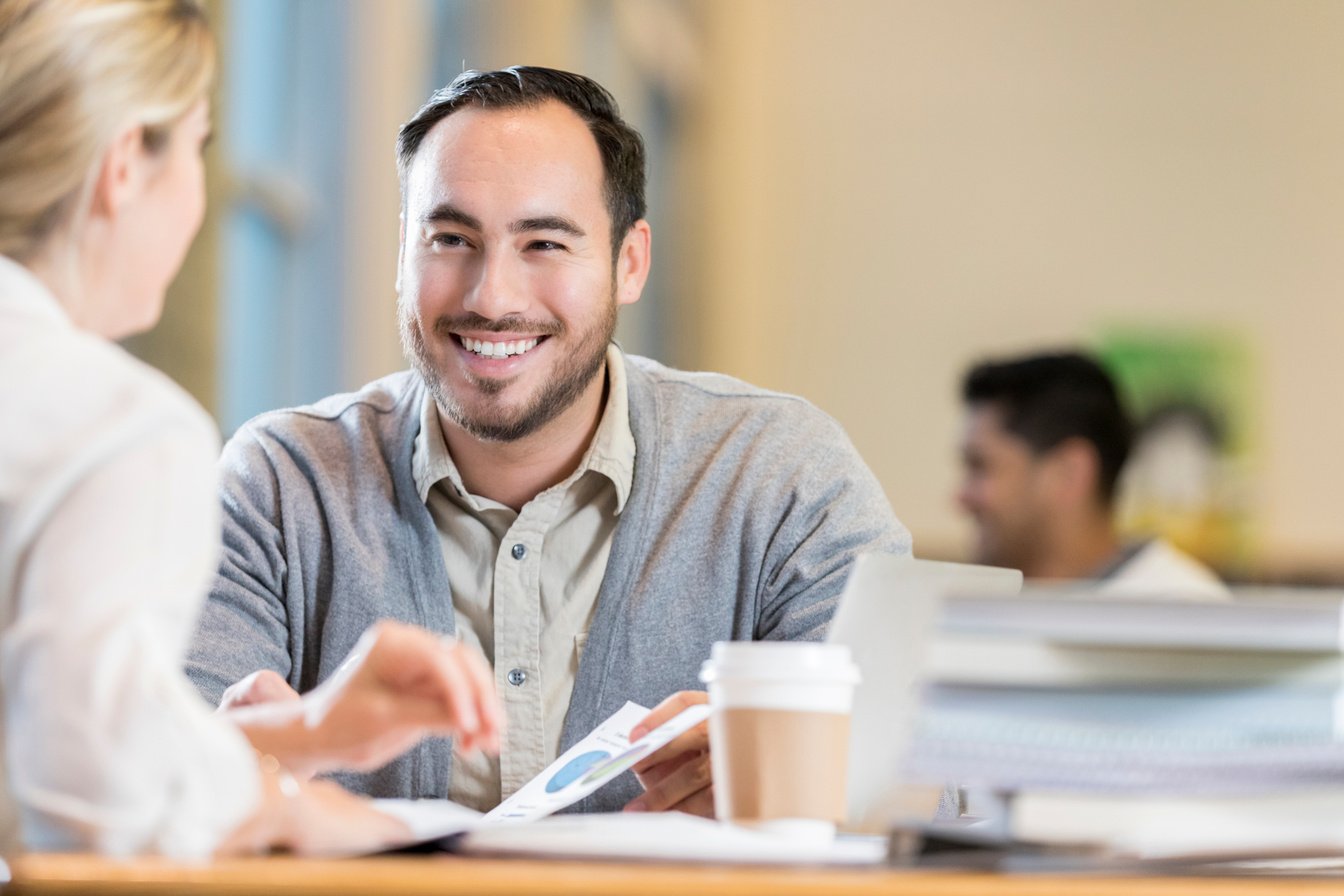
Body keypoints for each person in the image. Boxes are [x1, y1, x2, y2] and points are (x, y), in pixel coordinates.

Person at [186, 66, 910, 817]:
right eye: (450, 238)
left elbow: (914, 780)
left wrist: (807, 784)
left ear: (630, 262)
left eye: (544, 244)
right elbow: (149, 789)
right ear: (403, 258)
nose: (491, 297)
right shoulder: (278, 487)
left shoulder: (783, 477)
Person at [0, 0, 501, 859]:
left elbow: (46, 732)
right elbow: (87, 787)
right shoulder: (121, 429)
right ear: (125, 164)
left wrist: (304, 734)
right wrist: (285, 808)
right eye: (197, 146)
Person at [956, 350, 1227, 597]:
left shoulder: (1184, 613)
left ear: (1069, 472)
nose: (960, 497)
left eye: (980, 466)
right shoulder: (986, 607)